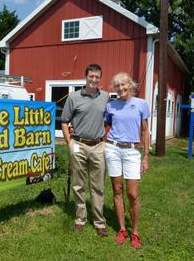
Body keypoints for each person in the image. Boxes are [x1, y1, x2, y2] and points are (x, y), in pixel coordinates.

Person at [61, 64, 110, 236]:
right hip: (79, 145)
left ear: (100, 78)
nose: (94, 80)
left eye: (97, 77)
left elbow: (109, 119)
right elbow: (64, 122)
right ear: (86, 77)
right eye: (91, 76)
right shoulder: (73, 97)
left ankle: (99, 222)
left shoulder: (105, 96)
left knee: (98, 187)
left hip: (98, 146)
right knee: (78, 185)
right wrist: (69, 144)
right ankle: (80, 218)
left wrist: (105, 139)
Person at [104, 73, 150, 249]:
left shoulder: (141, 104)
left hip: (132, 151)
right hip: (113, 149)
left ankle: (135, 232)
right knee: (117, 189)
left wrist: (146, 156)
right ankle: (122, 229)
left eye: (123, 85)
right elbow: (105, 125)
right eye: (117, 86)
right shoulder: (111, 105)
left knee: (132, 194)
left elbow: (145, 132)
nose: (121, 88)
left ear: (130, 85)